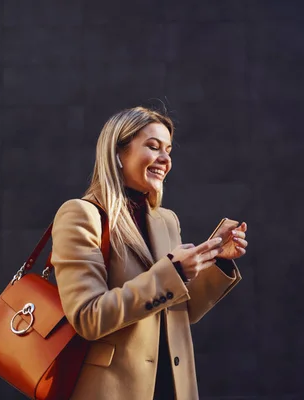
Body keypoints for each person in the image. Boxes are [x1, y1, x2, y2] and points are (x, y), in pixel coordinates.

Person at [51, 106, 248, 400]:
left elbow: (179, 311)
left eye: (168, 150)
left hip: (173, 388)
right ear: (118, 153)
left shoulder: (165, 220)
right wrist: (175, 272)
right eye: (153, 147)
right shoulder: (81, 215)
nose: (165, 159)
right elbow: (88, 317)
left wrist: (215, 258)